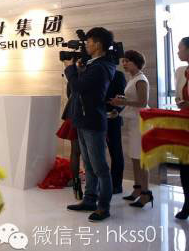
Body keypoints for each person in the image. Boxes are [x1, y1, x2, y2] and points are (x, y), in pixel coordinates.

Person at [64, 27, 117, 222]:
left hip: (93, 120)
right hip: (83, 119)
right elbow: (80, 89)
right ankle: (89, 200)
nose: (86, 45)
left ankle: (103, 207)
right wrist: (78, 71)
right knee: (88, 164)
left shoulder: (101, 67)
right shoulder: (93, 65)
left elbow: (78, 87)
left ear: (98, 44)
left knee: (100, 167)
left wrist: (70, 69)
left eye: (89, 42)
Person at [109, 50, 151, 208]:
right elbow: (134, 100)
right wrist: (122, 101)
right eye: (123, 61)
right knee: (135, 157)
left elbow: (142, 102)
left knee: (141, 159)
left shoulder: (140, 79)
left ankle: (146, 193)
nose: (124, 64)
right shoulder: (133, 78)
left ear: (136, 62)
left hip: (141, 122)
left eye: (127, 61)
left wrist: (122, 102)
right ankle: (137, 189)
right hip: (134, 122)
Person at [174, 37, 189, 219]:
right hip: (184, 124)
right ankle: (187, 203)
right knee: (185, 166)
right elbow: (179, 95)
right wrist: (179, 101)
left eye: (180, 48)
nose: (178, 52)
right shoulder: (180, 71)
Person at [105, 69, 127, 194]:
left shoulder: (118, 75)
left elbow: (122, 97)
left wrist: (116, 111)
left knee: (115, 151)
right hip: (96, 118)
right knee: (97, 154)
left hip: (113, 118)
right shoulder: (94, 73)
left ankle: (116, 185)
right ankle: (102, 183)